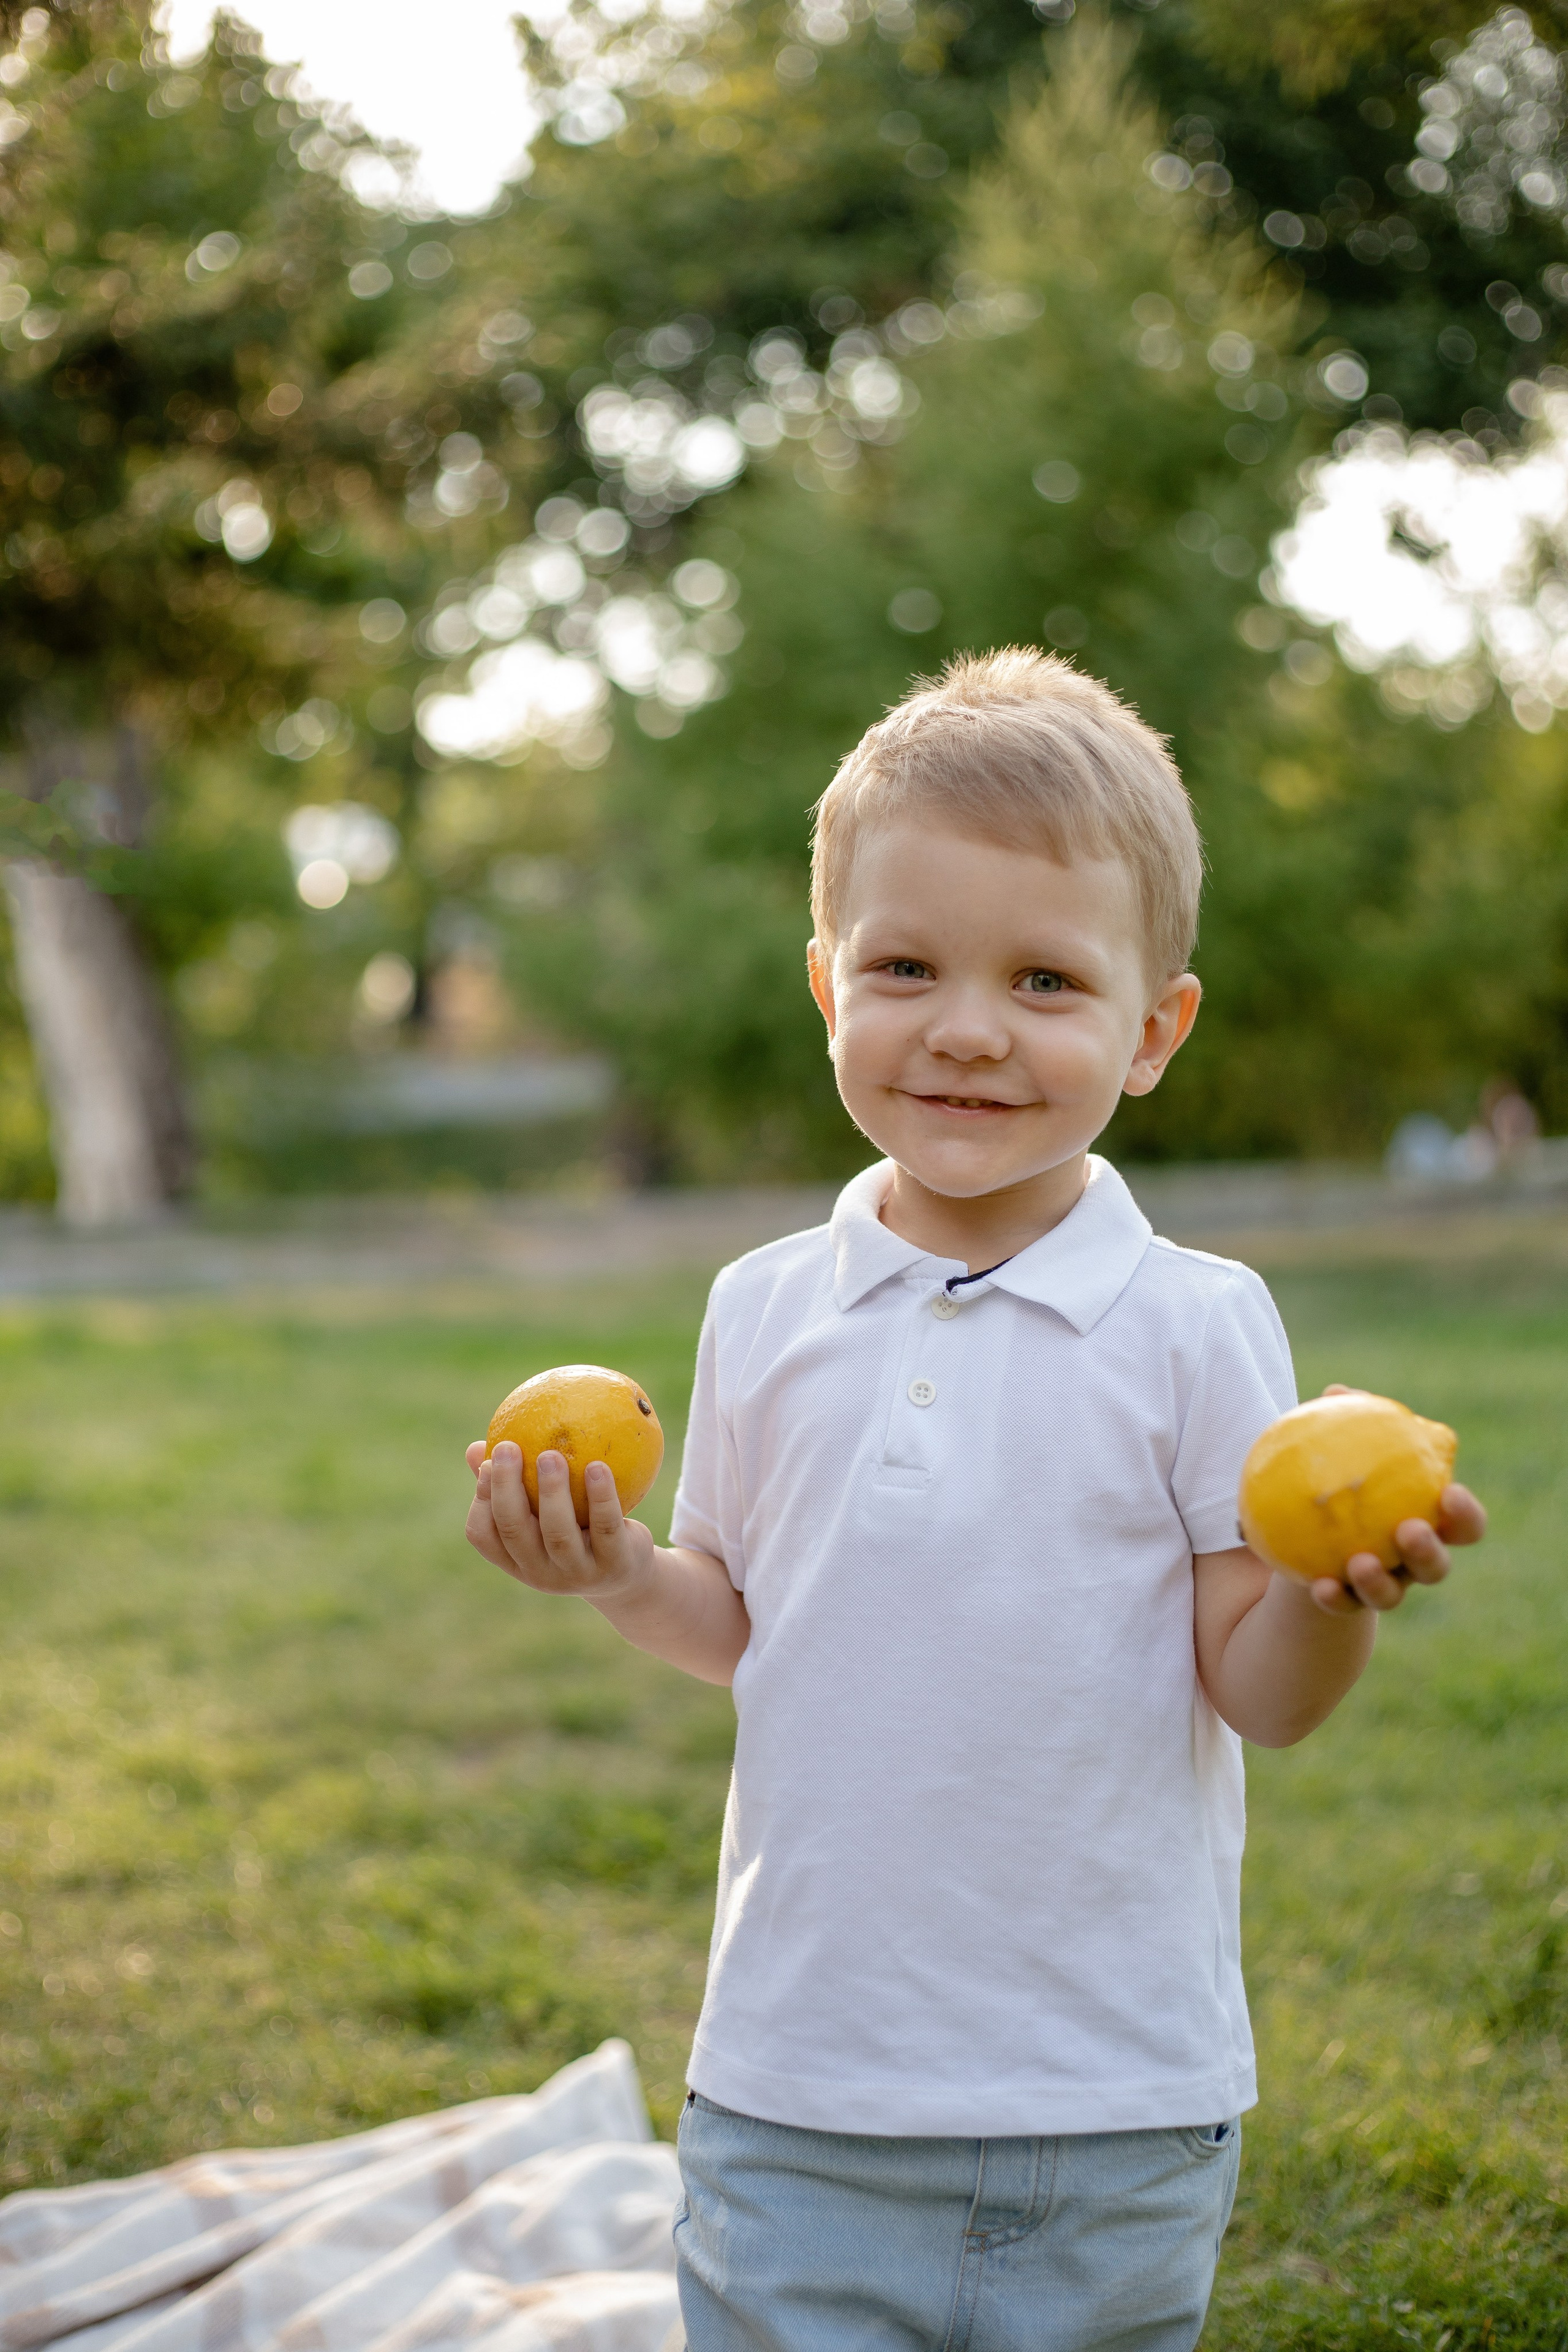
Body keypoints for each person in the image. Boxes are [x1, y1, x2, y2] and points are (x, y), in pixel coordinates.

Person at [464, 649, 1487, 2352]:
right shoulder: (763, 1308)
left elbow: (1261, 1697)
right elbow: (742, 1620)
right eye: (907, 965)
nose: (964, 1026)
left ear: (1154, 1030)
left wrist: (1330, 1592)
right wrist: (617, 1568)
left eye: (1044, 981)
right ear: (825, 987)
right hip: (799, 2090)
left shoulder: (1197, 1323)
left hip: (1110, 2102)